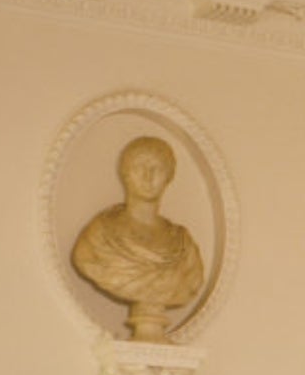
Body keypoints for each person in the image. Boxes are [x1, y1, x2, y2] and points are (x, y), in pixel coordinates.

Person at [69, 136, 206, 343]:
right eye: (139, 166)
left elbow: (191, 282)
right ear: (125, 173)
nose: (147, 176)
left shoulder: (184, 247)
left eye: (157, 168)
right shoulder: (98, 236)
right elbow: (86, 260)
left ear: (169, 176)